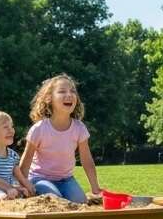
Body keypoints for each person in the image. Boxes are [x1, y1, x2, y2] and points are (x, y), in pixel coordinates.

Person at [18, 74, 102, 203]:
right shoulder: (39, 129)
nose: (69, 94)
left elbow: (87, 160)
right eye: (62, 91)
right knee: (55, 199)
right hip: (40, 178)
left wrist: (95, 188)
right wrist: (22, 186)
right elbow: (26, 161)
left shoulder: (79, 128)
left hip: (66, 179)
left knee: (80, 202)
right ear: (49, 99)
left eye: (73, 91)